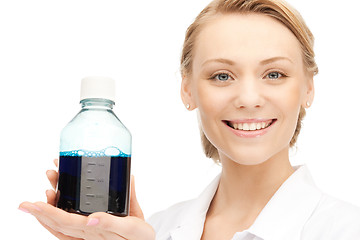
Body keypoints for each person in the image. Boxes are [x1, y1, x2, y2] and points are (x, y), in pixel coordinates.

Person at [19, 0, 360, 239]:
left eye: (274, 74)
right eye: (222, 76)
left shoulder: (345, 230)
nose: (249, 99)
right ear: (188, 90)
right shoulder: (160, 228)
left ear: (308, 89)